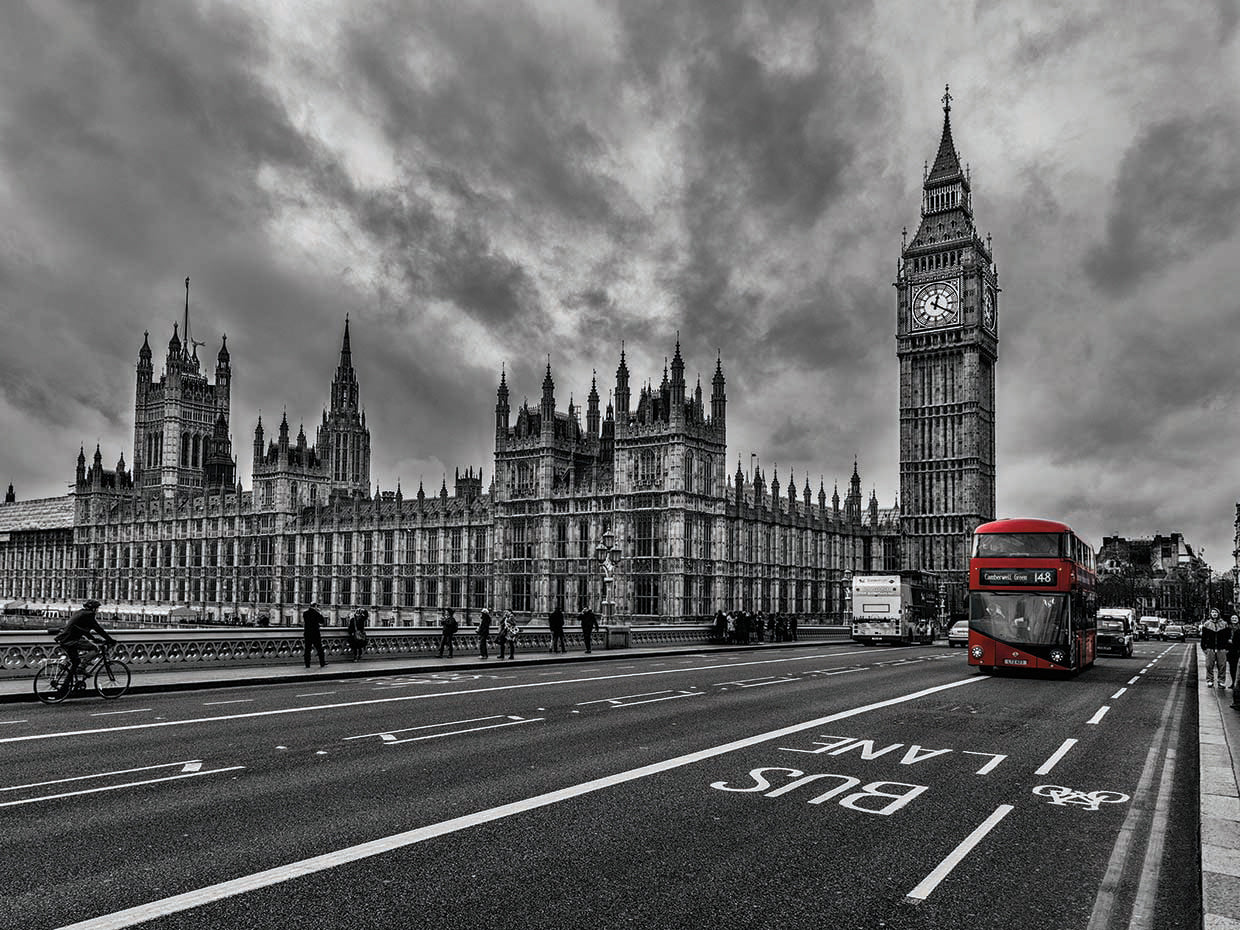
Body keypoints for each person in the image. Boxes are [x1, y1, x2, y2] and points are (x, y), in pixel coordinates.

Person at [55, 599, 115, 686]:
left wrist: (94, 639)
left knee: (75, 662)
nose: (97, 611)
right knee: (95, 648)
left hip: (64, 639)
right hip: (72, 640)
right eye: (97, 608)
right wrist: (110, 640)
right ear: (93, 609)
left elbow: (83, 630)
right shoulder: (89, 615)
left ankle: (64, 687)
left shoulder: (80, 612)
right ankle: (82, 667)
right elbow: (98, 629)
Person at [1201, 608, 1229, 688]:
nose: (1214, 614)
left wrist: (1226, 648)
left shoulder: (1224, 624)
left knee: (1222, 665)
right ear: (1210, 614)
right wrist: (1204, 648)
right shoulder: (1207, 624)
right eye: (1212, 612)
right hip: (1210, 648)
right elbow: (1204, 638)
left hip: (1222, 648)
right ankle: (1210, 680)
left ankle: (1221, 681)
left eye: (1216, 612)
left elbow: (1227, 637)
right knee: (1209, 665)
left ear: (1218, 613)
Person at [302, 601, 327, 668]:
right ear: (315, 606)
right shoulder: (316, 614)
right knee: (319, 649)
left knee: (307, 649)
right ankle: (322, 663)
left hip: (307, 633)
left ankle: (307, 664)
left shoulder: (305, 613)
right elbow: (322, 621)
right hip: (315, 634)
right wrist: (319, 613)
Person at [1228, 615, 1240, 690]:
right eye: (1232, 618)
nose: (1234, 619)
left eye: (1235, 618)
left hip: (1238, 649)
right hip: (1231, 650)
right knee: (1232, 667)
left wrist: (1233, 641)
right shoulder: (1228, 628)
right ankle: (1233, 682)